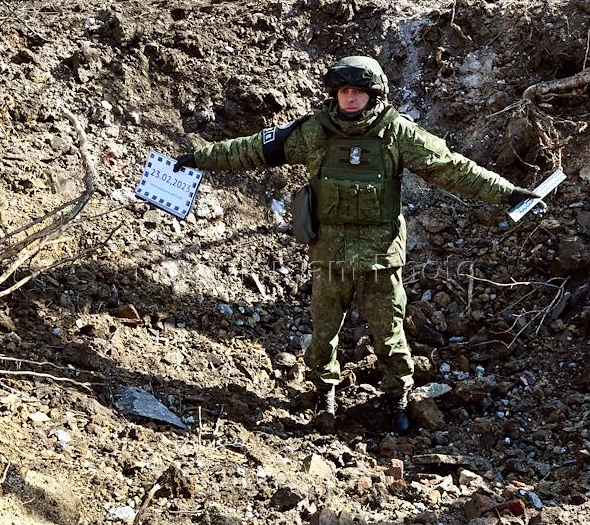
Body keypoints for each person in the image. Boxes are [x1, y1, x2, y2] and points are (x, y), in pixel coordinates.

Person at [174, 56, 539, 433]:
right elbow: (252, 149)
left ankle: (397, 394)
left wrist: (507, 193)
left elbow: (451, 168)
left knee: (389, 333)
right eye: (344, 90)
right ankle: (324, 390)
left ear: (374, 94)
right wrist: (199, 158)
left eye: (358, 92)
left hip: (381, 257)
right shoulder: (315, 131)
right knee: (323, 332)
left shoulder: (396, 132)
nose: (350, 98)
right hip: (329, 254)